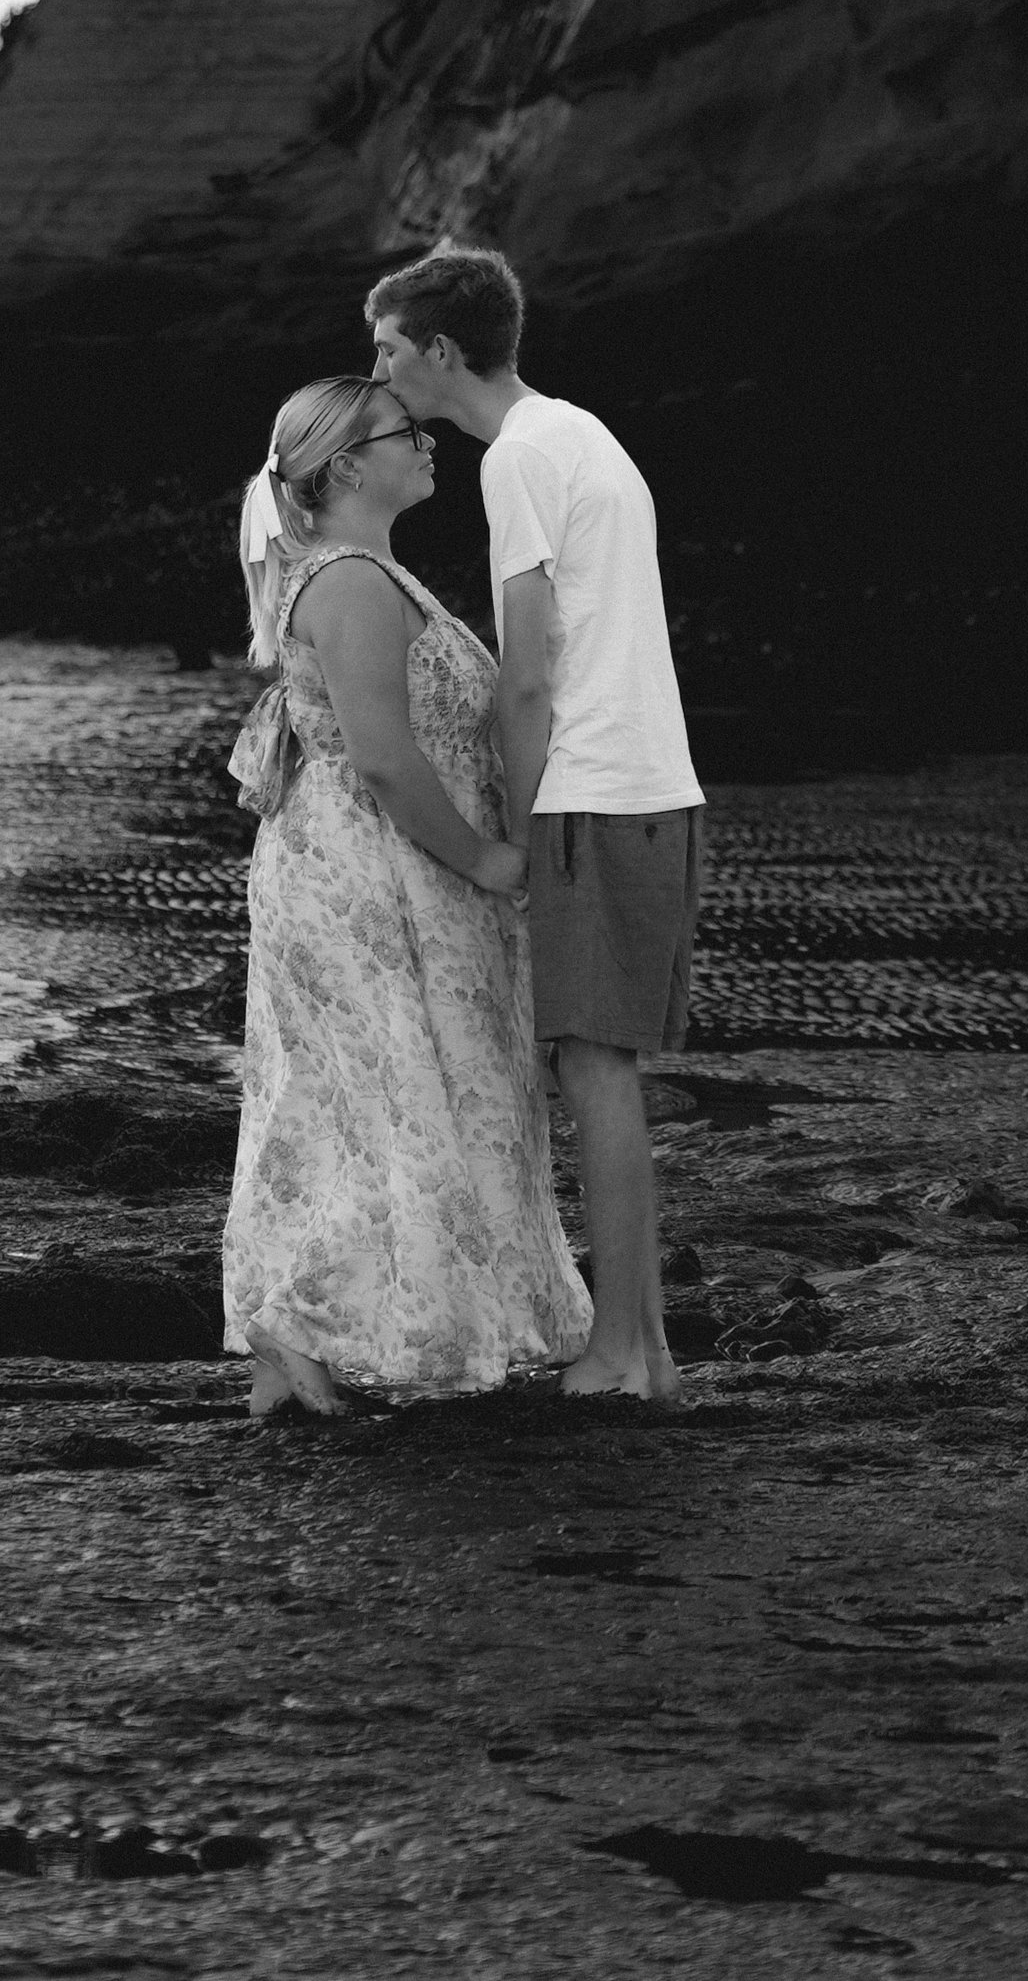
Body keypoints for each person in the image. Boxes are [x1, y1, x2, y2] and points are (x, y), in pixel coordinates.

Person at [220, 374, 594, 1416]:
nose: (427, 443)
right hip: (370, 875)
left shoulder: (374, 572)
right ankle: (305, 1327)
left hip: (388, 872)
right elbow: (382, 757)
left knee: (392, 1092)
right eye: (404, 432)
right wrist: (484, 857)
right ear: (346, 464)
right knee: (376, 1093)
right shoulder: (344, 580)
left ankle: (334, 1329)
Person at [367, 245, 704, 1401]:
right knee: (601, 1062)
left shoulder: (516, 460)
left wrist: (512, 833)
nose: (381, 370)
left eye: (390, 348)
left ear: (442, 352)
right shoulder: (580, 430)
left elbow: (526, 672)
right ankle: (642, 1345)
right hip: (652, 783)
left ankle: (621, 1349)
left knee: (592, 1069)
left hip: (591, 789)